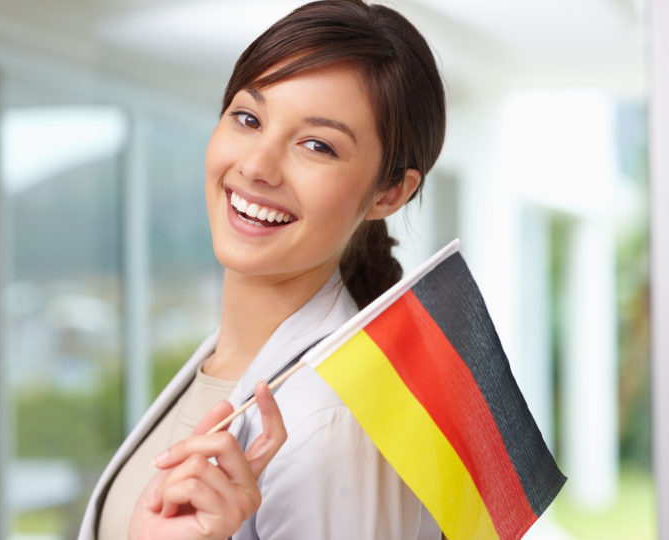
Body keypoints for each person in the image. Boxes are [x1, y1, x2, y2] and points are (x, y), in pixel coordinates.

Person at [78, 0, 446, 538]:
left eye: (317, 145)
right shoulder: (223, 362)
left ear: (389, 193)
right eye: (248, 118)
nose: (255, 166)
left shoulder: (334, 421)